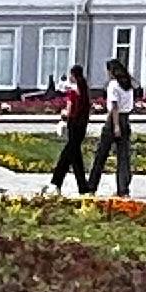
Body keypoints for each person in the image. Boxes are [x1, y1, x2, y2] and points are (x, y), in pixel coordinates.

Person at [47, 65, 94, 195]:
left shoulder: (73, 92)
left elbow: (69, 109)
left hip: (73, 124)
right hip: (82, 125)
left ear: (73, 75)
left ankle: (56, 183)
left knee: (67, 155)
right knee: (74, 155)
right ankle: (82, 186)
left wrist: (63, 114)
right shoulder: (84, 90)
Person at [101, 56, 138, 197]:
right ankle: (123, 189)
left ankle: (91, 185)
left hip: (114, 119)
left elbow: (115, 106)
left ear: (112, 71)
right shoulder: (128, 85)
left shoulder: (113, 85)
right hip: (126, 119)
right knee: (124, 156)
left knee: (101, 154)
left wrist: (115, 126)